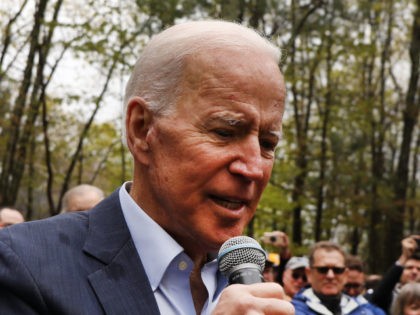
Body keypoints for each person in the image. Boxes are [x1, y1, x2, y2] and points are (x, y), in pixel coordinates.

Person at [0, 20, 294, 314]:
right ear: (142, 129)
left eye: (268, 144)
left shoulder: (250, 285)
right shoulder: (22, 266)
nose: (254, 169)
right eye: (224, 132)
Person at [292, 241, 385, 315]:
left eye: (337, 270)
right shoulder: (292, 310)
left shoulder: (365, 310)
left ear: (345, 274)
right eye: (323, 269)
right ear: (309, 273)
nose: (330, 276)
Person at [370, 235, 420, 313]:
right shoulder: (390, 295)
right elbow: (377, 298)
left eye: (419, 269)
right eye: (409, 268)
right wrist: (404, 256)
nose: (414, 272)